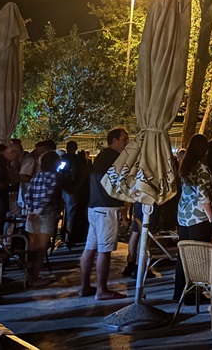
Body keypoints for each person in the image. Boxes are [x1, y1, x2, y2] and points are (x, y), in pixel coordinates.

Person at [79, 128, 129, 301]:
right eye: (124, 139)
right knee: (104, 250)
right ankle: (101, 290)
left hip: (94, 207)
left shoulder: (101, 157)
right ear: (114, 141)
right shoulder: (114, 158)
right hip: (107, 208)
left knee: (90, 248)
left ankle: (85, 286)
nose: (126, 143)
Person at [173, 134, 212, 305]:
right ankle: (194, 294)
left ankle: (180, 291)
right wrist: (211, 217)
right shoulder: (202, 167)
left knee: (184, 255)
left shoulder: (185, 165)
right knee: (198, 256)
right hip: (198, 216)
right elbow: (203, 195)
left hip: (184, 214)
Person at [23, 150, 63, 287]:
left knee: (31, 248)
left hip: (31, 216)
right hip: (45, 215)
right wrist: (38, 211)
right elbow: (48, 196)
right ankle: (35, 278)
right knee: (41, 249)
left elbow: (27, 195)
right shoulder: (53, 177)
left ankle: (28, 276)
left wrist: (30, 211)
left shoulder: (36, 176)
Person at [58, 140, 90, 248]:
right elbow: (83, 174)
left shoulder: (63, 158)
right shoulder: (79, 160)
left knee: (65, 212)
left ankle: (64, 236)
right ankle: (69, 236)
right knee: (71, 213)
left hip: (64, 188)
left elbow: (59, 171)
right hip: (74, 188)